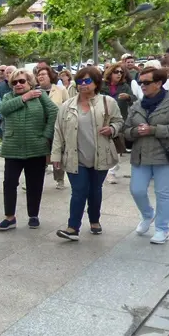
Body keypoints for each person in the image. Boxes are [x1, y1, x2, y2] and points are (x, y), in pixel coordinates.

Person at [53, 67, 124, 241]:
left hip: (100, 155)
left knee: (94, 190)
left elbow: (119, 121)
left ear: (96, 83)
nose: (83, 85)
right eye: (79, 82)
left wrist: (112, 128)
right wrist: (55, 156)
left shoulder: (108, 102)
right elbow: (58, 131)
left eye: (87, 81)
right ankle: (72, 228)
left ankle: (94, 221)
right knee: (79, 191)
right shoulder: (67, 105)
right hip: (75, 157)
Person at [124, 66, 169, 245]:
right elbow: (126, 131)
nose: (142, 85)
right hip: (141, 155)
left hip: (166, 155)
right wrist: (136, 131)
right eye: (140, 82)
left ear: (159, 83)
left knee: (163, 193)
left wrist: (153, 130)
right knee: (136, 190)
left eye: (147, 82)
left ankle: (162, 229)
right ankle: (148, 215)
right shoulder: (137, 104)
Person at [0, 69, 58, 231]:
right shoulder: (8, 97)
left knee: (34, 184)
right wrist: (24, 98)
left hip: (36, 147)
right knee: (9, 183)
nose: (18, 84)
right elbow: (2, 109)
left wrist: (46, 135)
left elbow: (54, 112)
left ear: (30, 82)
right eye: (14, 82)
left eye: (22, 81)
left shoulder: (40, 95)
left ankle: (33, 215)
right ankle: (9, 217)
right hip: (12, 148)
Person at [101, 63, 136, 184]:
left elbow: (134, 100)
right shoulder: (101, 85)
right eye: (116, 72)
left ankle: (112, 172)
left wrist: (128, 97)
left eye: (121, 72)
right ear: (110, 73)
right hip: (102, 119)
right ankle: (104, 169)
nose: (119, 74)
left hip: (119, 119)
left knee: (116, 146)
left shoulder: (125, 86)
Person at [36, 66, 69, 189]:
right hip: (39, 127)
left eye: (44, 74)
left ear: (50, 76)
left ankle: (59, 179)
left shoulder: (61, 90)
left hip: (57, 126)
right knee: (39, 155)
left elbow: (67, 106)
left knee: (57, 152)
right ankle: (33, 179)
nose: (41, 76)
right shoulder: (35, 91)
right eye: (39, 75)